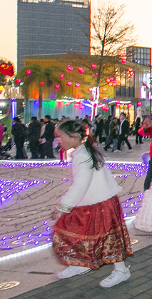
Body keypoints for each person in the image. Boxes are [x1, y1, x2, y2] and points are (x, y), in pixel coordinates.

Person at [50, 120, 132, 287]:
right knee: (79, 232)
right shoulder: (82, 151)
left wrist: (63, 206)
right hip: (89, 202)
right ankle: (80, 263)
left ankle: (121, 270)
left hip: (100, 202)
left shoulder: (83, 155)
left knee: (107, 237)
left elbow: (81, 185)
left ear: (74, 137)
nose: (59, 141)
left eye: (61, 137)